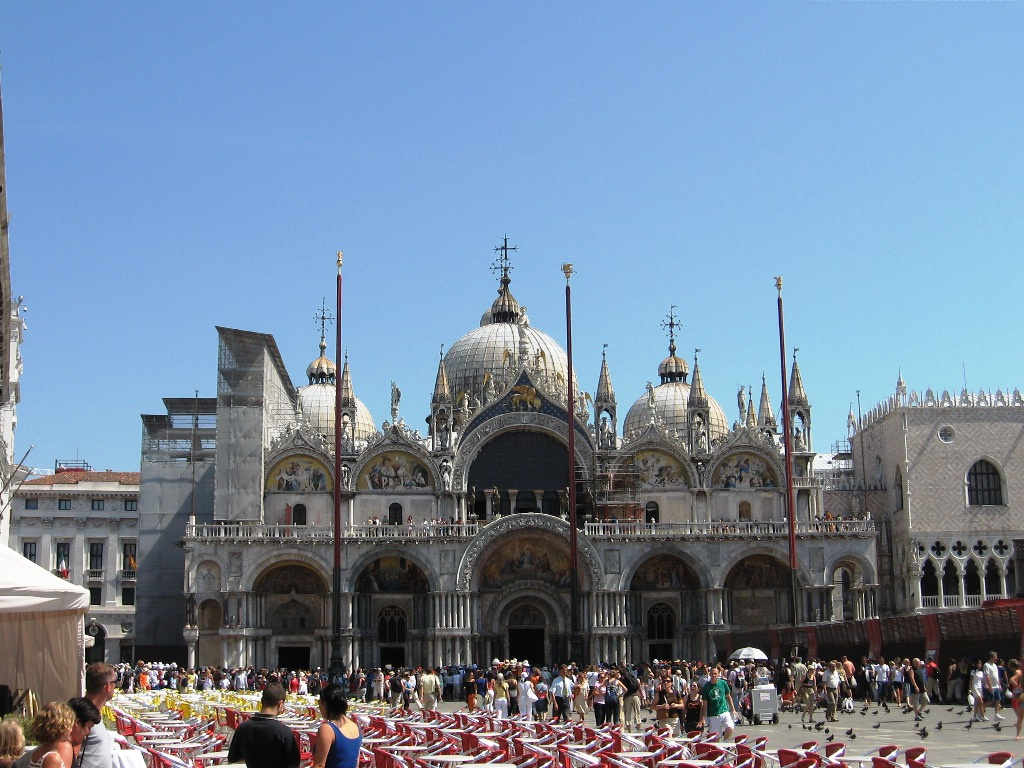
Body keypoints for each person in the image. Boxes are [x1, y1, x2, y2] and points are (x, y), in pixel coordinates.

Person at [226, 683, 300, 768]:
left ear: (262, 701)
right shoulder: (284, 732)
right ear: (280, 703)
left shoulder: (243, 728)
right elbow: (294, 764)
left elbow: (233, 758)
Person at [312, 684, 362, 768]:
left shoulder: (327, 729)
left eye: (319, 702)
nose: (319, 707)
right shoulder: (354, 726)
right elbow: (356, 762)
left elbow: (319, 765)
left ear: (325, 703)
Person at [76, 664, 116, 768]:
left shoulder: (92, 712)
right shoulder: (84, 713)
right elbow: (71, 754)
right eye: (114, 683)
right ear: (108, 686)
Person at [20, 702, 75, 768]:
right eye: (69, 726)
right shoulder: (52, 758)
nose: (71, 730)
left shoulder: (38, 751)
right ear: (60, 727)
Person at [699, 666, 738, 740]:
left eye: (715, 674)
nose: (713, 675)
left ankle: (725, 743)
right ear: (709, 674)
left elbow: (728, 696)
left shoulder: (723, 683)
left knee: (730, 727)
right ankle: (717, 749)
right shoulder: (706, 687)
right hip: (713, 714)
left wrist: (733, 709)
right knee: (715, 737)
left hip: (724, 711)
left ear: (718, 674)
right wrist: (702, 718)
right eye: (712, 674)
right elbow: (704, 704)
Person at [1007, 658, 1024, 740]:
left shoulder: (1018, 672)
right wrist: (1019, 687)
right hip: (1018, 696)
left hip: (1018, 696)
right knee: (1020, 717)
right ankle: (1018, 734)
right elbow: (1012, 680)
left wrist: (1018, 687)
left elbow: (1011, 680)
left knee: (1020, 717)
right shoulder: (1019, 672)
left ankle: (1018, 733)